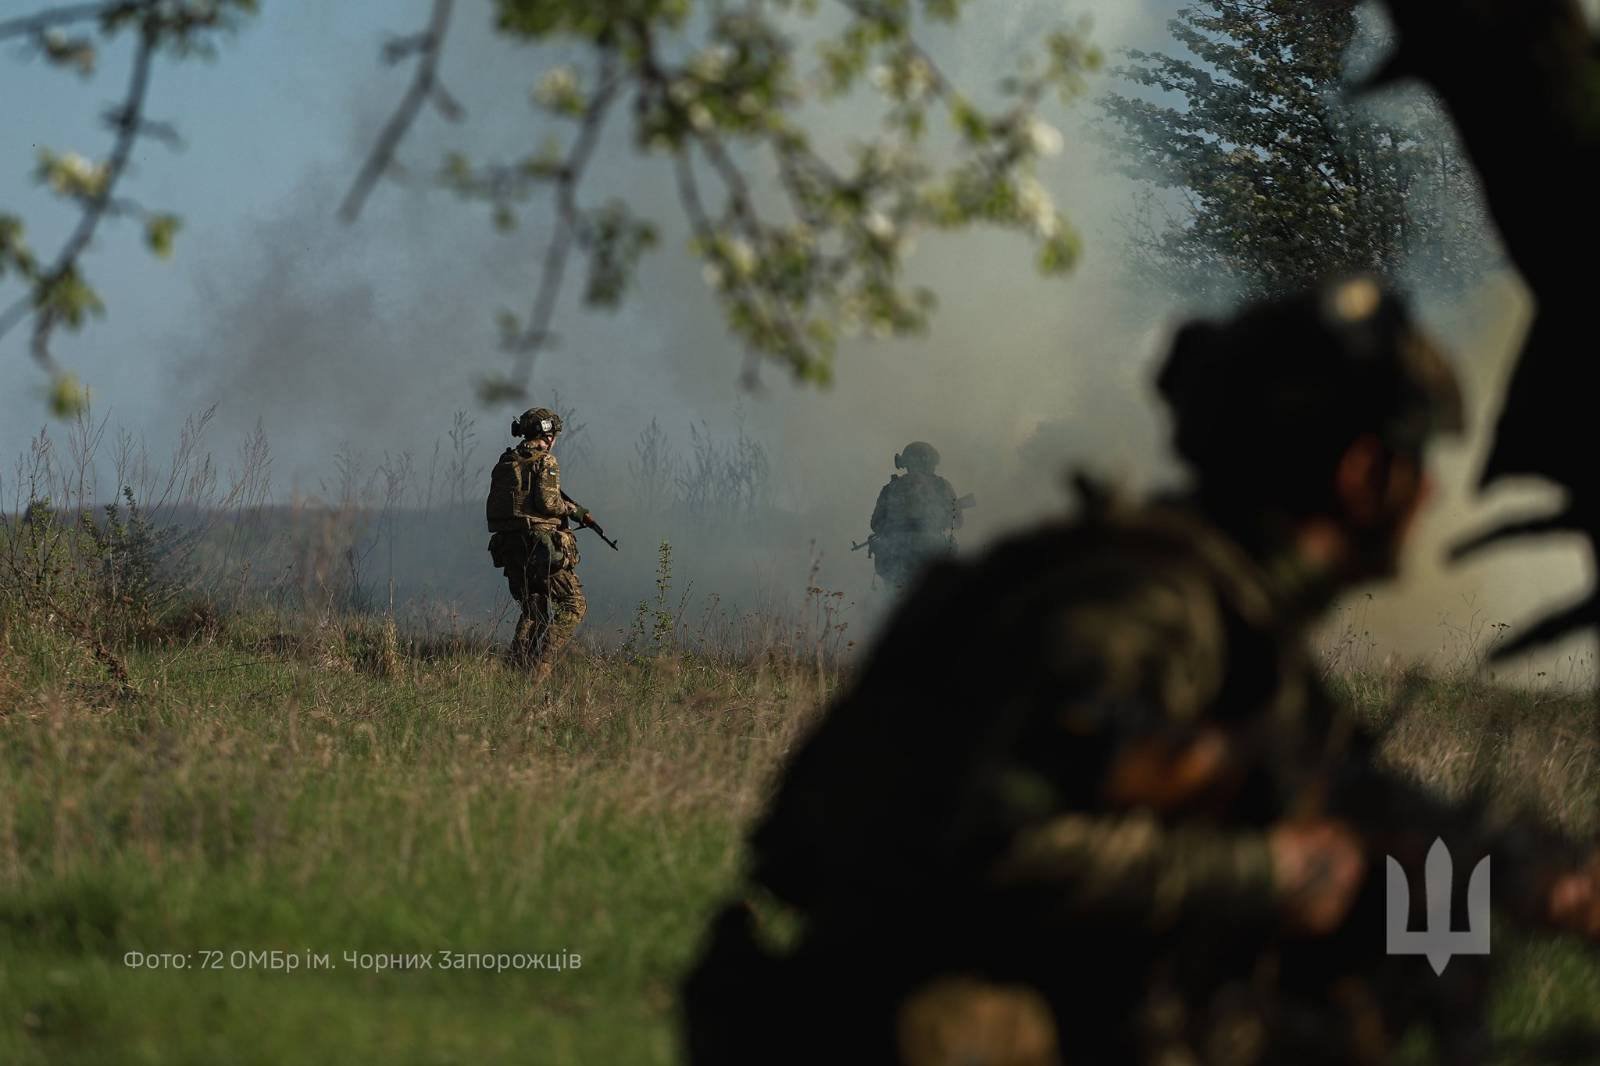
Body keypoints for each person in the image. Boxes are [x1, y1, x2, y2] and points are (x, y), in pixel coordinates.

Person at [680, 277, 1600, 1065]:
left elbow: (1355, 818)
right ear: (1366, 474)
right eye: (1416, 460)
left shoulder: (1231, 625)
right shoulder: (1146, 609)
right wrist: (1271, 878)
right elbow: (994, 847)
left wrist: (1519, 880)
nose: (1432, 492)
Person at [485, 407, 596, 681]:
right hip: (540, 548)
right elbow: (548, 503)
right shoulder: (546, 461)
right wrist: (570, 509)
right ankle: (540, 667)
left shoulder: (506, 462)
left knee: (534, 610)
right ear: (548, 434)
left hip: (509, 547)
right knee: (574, 605)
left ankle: (514, 668)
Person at [867, 442, 965, 590]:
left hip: (897, 556)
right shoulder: (942, 486)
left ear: (906, 463)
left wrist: (895, 527)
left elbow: (876, 524)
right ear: (931, 462)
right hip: (933, 556)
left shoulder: (891, 488)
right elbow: (957, 522)